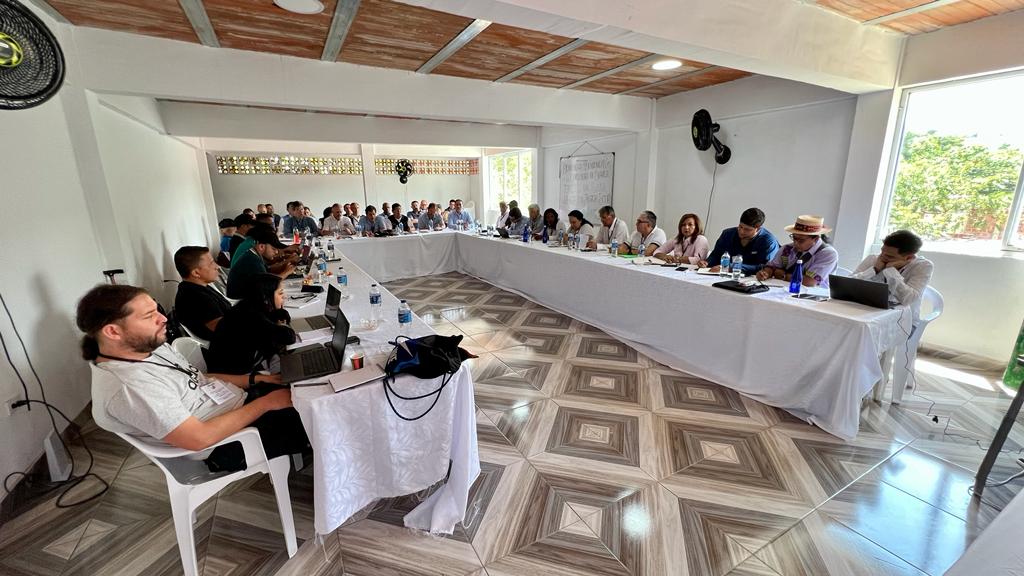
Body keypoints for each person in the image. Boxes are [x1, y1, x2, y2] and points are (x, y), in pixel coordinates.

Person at [79, 284, 307, 473]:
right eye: (149, 316)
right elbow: (199, 438)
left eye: (157, 310)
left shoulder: (146, 348)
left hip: (238, 406)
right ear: (113, 331)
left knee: (308, 382)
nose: (163, 318)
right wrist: (266, 403)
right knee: (319, 415)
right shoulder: (131, 387)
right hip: (228, 443)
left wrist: (255, 379)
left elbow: (198, 379)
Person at [207, 274, 297, 375]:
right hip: (233, 376)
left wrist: (279, 312)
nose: (284, 297)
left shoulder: (247, 306)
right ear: (265, 297)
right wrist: (282, 326)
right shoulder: (250, 315)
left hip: (236, 367)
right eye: (280, 293)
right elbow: (289, 337)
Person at [851, 229, 934, 321]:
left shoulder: (923, 266)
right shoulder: (874, 259)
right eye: (882, 251)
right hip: (866, 312)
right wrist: (874, 270)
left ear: (909, 257)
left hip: (902, 321)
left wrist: (891, 270)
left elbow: (908, 299)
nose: (882, 256)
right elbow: (847, 284)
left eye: (889, 256)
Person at [755, 216, 838, 287]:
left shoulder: (828, 254)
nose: (795, 243)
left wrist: (784, 276)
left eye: (801, 240)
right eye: (794, 238)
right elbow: (772, 267)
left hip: (814, 296)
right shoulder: (787, 249)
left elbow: (809, 282)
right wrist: (765, 273)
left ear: (816, 239)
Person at [173, 246, 232, 341]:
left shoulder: (198, 287)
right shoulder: (194, 298)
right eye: (211, 263)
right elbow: (227, 330)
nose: (217, 266)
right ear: (196, 273)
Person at [702, 207, 780, 275]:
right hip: (722, 275)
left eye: (747, 229)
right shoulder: (727, 234)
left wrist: (731, 267)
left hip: (752, 279)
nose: (741, 232)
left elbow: (765, 267)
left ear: (758, 229)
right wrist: (707, 262)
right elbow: (716, 255)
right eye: (740, 226)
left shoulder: (769, 241)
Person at [226, 227, 293, 298]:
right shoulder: (252, 261)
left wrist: (285, 266)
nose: (276, 252)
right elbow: (268, 286)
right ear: (261, 246)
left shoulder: (253, 254)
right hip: (241, 300)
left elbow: (267, 271)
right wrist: (286, 272)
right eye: (273, 249)